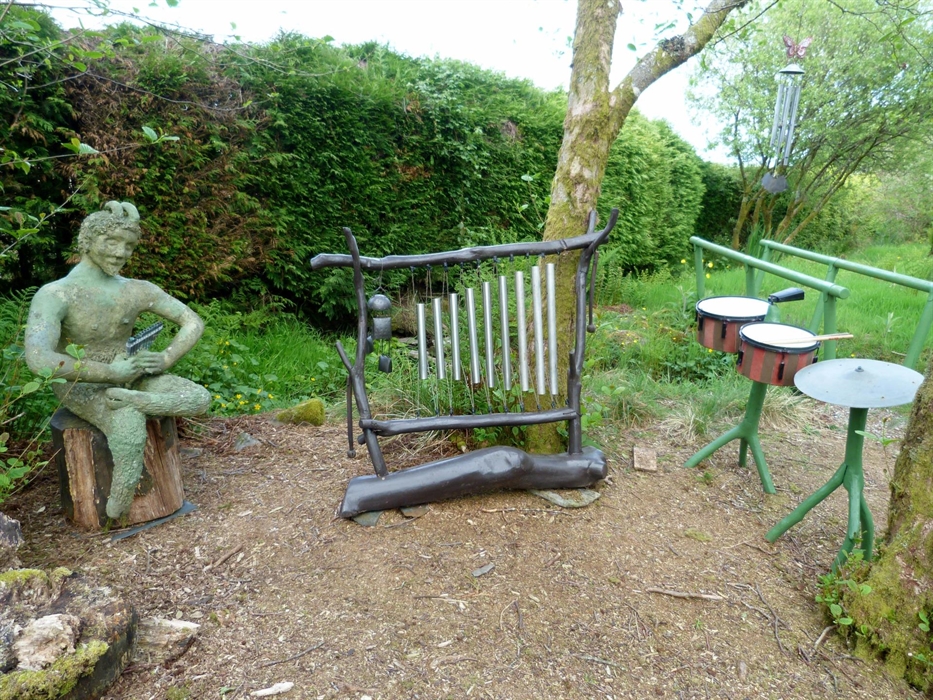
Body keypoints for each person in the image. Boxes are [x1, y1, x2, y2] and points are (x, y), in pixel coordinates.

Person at [25, 201, 210, 519]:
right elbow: (39, 358)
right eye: (111, 242)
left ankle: (136, 400)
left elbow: (192, 321)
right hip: (81, 382)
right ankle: (117, 509)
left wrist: (166, 358)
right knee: (128, 425)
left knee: (199, 397)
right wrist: (110, 372)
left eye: (129, 246)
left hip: (132, 372)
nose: (120, 253)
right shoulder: (56, 294)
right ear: (87, 241)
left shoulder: (137, 290)